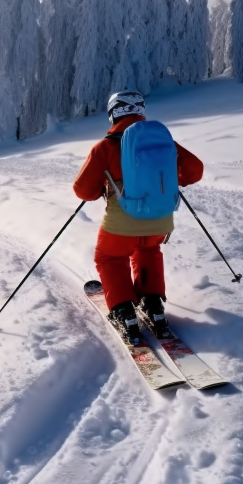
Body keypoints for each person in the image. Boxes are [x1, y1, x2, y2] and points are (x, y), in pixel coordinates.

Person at [72, 91, 203, 343]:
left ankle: (124, 312)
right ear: (140, 111)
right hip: (161, 218)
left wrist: (103, 186)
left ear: (112, 114)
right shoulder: (164, 143)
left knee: (109, 257)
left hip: (123, 220)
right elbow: (195, 171)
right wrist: (175, 179)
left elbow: (83, 191)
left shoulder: (105, 147)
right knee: (148, 250)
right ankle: (153, 306)